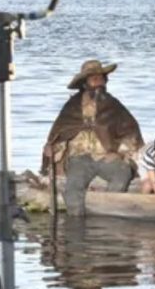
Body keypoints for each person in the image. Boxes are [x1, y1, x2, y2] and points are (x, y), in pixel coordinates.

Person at [41, 60, 143, 215]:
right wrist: (53, 147)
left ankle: (107, 214)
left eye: (101, 78)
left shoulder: (114, 105)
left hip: (106, 157)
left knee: (122, 173)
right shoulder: (72, 106)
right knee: (73, 190)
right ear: (85, 83)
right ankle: (76, 229)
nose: (99, 82)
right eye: (94, 79)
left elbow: (130, 133)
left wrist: (119, 153)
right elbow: (60, 132)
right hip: (79, 158)